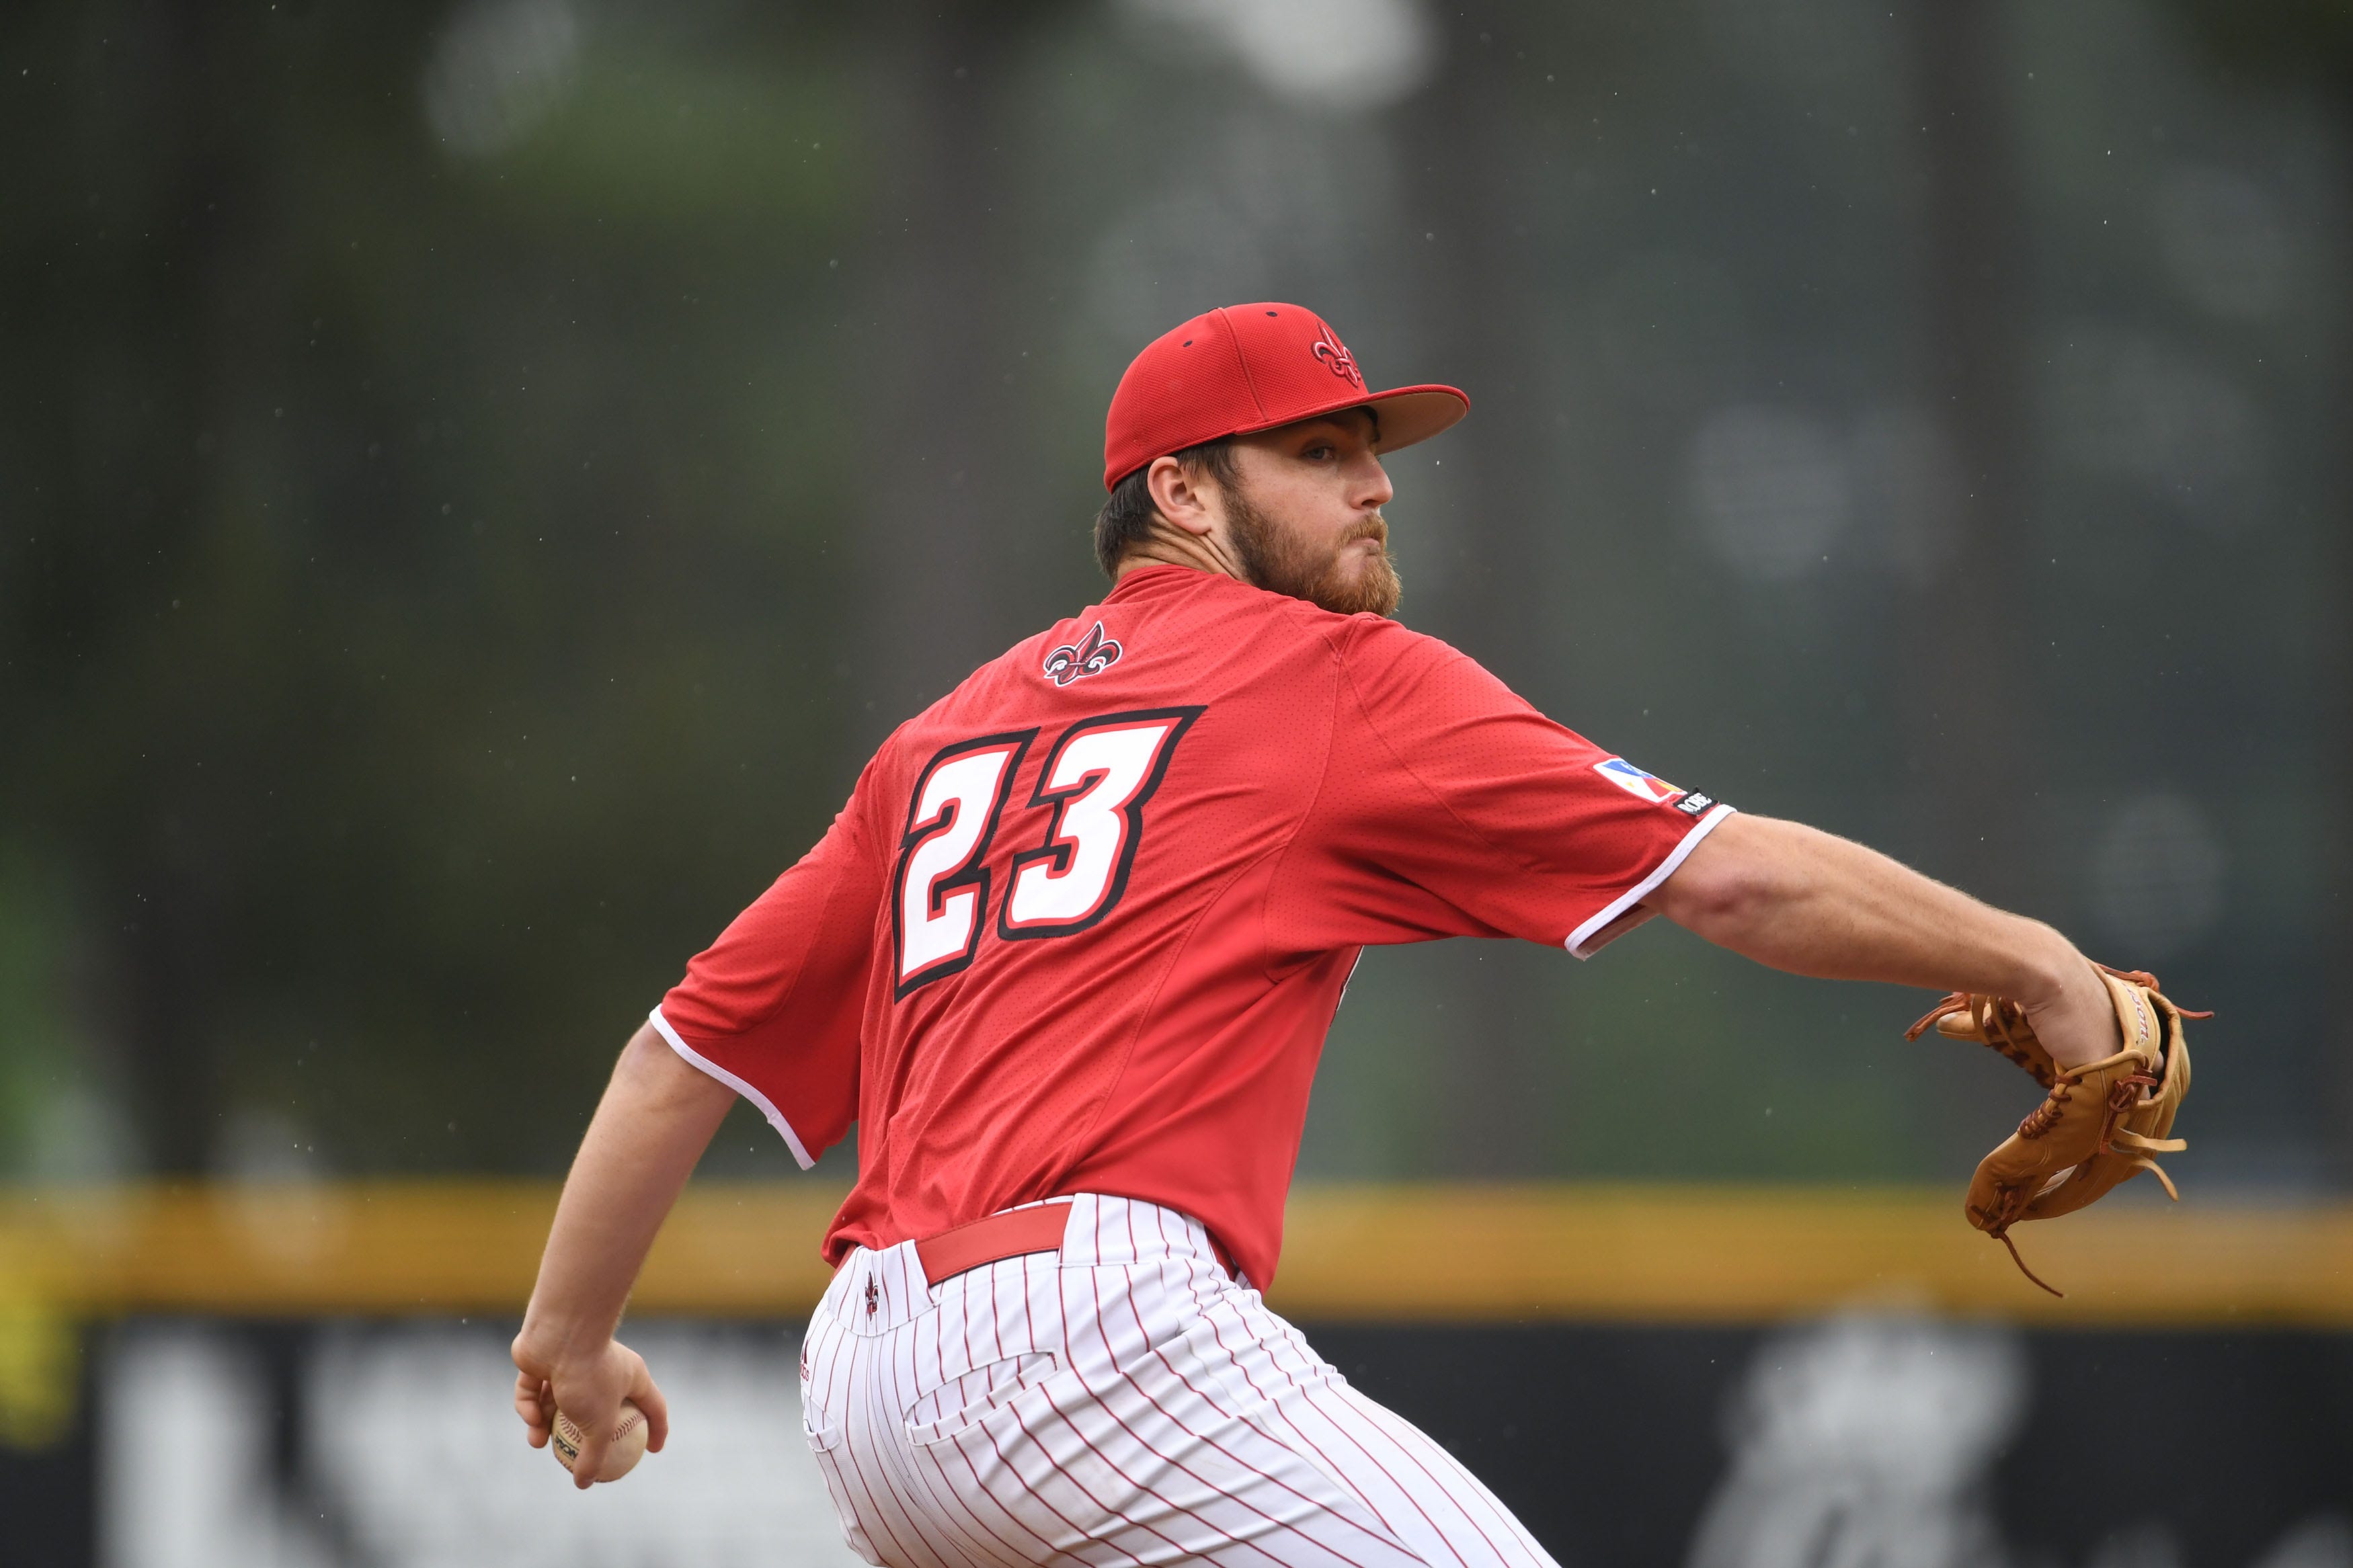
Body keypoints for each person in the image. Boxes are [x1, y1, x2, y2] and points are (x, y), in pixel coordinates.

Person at [512, 303, 2126, 1567]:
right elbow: (1730, 878)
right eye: (1313, 450)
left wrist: (569, 1342)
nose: (1372, 483)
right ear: (1180, 489)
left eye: (1372, 446)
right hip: (1092, 1339)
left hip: (865, 1383)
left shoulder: (937, 741)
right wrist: (2033, 963)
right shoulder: (1331, 678)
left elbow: (680, 1058)